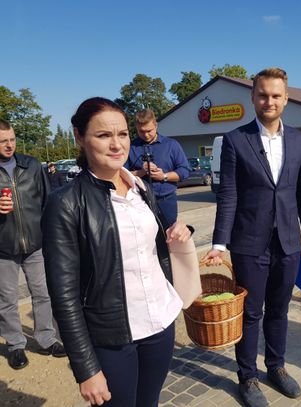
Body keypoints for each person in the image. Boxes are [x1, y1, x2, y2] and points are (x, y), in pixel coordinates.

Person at [42, 98, 193, 407]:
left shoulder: (140, 188)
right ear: (79, 137)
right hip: (112, 337)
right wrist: (86, 368)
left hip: (161, 324)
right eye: (103, 135)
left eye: (122, 134)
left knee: (149, 402)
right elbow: (63, 295)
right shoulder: (65, 203)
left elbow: (155, 241)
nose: (116, 144)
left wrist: (182, 230)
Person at [202, 68, 301, 407]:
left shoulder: (299, 140)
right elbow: (229, 195)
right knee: (251, 312)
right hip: (249, 243)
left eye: (276, 95)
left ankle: (276, 367)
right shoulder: (236, 140)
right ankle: (247, 376)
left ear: (286, 99)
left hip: (289, 242)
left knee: (279, 310)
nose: (270, 101)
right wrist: (219, 244)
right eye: (263, 94)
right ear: (253, 97)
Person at [0, 119, 66, 370]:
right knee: (6, 299)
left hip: (36, 244)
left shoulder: (32, 165)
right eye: (3, 141)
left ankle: (46, 339)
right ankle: (15, 345)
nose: (9, 145)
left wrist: (53, 236)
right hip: (3, 248)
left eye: (12, 139)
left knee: (43, 294)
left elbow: (48, 202)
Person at [125, 108, 190, 228]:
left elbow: (185, 171)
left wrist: (164, 176)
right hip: (139, 202)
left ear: (156, 125)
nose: (145, 135)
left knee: (169, 238)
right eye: (141, 131)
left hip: (166, 201)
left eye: (149, 130)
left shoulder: (171, 145)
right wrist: (141, 172)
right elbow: (121, 174)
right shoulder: (130, 147)